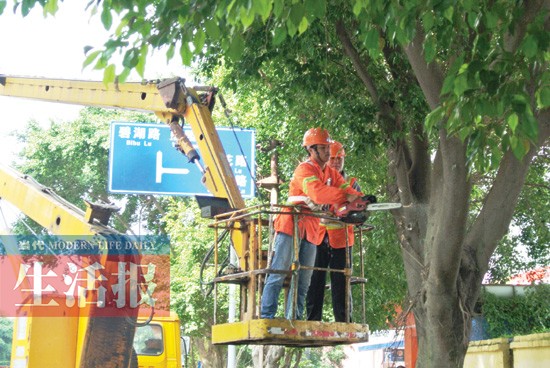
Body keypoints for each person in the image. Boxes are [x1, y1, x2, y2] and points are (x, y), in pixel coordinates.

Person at [260, 128, 362, 320]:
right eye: (323, 148)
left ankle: (295, 318)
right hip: (292, 223)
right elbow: (318, 193)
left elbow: (345, 188)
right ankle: (267, 315)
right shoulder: (304, 169)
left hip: (311, 228)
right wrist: (346, 195)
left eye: (327, 147)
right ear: (311, 150)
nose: (327, 151)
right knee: (279, 271)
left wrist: (361, 199)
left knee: (304, 278)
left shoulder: (331, 173)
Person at [306, 141, 361, 322]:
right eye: (334, 158)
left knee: (341, 281)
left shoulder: (351, 184)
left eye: (340, 159)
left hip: (342, 238)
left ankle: (344, 321)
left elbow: (358, 208)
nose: (336, 162)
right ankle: (312, 319)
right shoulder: (318, 181)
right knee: (315, 279)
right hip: (319, 235)